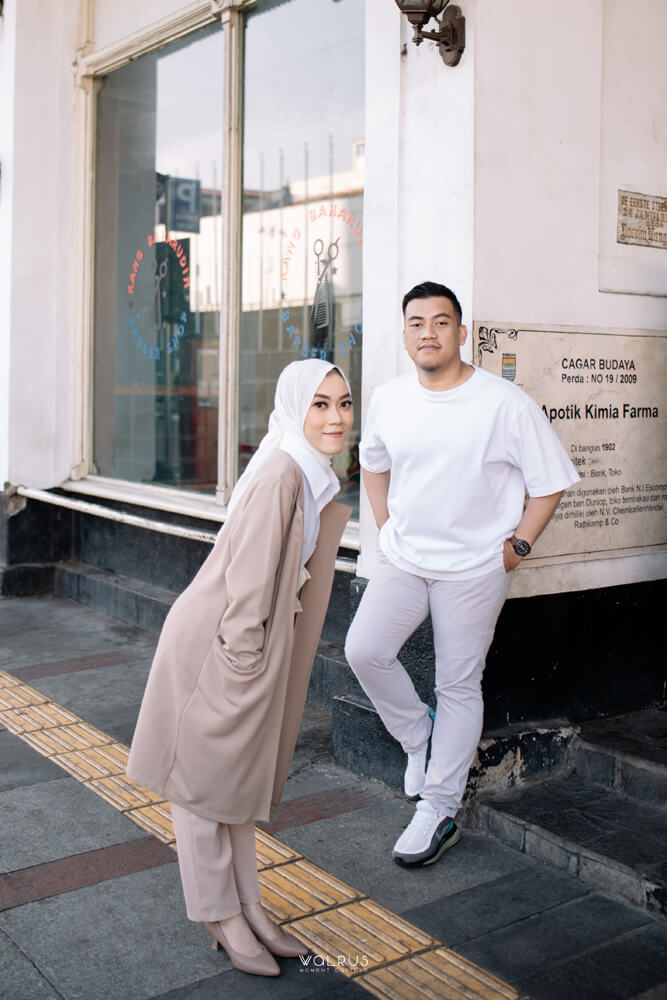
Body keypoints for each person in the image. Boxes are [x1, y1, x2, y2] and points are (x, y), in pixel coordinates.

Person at [127, 359, 353, 977]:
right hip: (224, 644)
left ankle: (250, 906)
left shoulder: (306, 471)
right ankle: (220, 916)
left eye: (343, 403)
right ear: (295, 408)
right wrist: (244, 660)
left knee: (236, 784)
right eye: (320, 404)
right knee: (202, 787)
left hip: (245, 642)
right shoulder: (283, 472)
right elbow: (249, 578)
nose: (335, 417)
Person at [345, 281, 579, 867]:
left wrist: (518, 546)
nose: (428, 332)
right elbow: (373, 464)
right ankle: (417, 736)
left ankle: (439, 808)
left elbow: (550, 482)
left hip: (475, 568)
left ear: (461, 331)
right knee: (364, 650)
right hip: (406, 559)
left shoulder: (503, 403)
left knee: (457, 684)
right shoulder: (389, 399)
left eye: (441, 322)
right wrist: (386, 526)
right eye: (417, 323)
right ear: (405, 335)